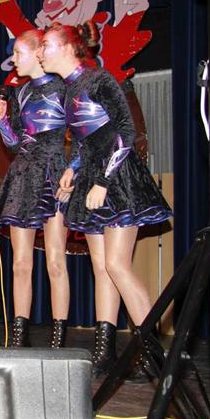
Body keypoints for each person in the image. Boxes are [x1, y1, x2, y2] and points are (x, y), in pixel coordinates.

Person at [39, 22, 172, 376]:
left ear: (68, 48)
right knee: (102, 268)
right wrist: (73, 169)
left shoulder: (100, 79)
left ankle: (154, 353)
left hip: (117, 177)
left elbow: (125, 131)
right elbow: (86, 143)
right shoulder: (69, 90)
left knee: (116, 265)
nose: (41, 52)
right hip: (91, 178)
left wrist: (102, 181)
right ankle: (104, 351)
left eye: (46, 45)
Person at [0, 29, 71, 348]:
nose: (13, 60)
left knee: (55, 260)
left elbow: (80, 133)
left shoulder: (62, 87)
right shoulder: (20, 93)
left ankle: (58, 339)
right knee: (20, 262)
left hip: (53, 172)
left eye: (18, 53)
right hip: (23, 175)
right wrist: (2, 122)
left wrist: (73, 172)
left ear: (38, 54)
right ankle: (19, 336)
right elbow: (14, 144)